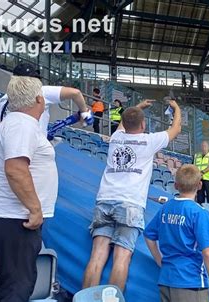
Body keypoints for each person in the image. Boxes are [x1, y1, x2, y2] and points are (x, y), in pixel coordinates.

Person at [82, 99, 182, 291]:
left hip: (104, 200)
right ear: (143, 125)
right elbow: (176, 129)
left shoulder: (116, 137)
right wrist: (176, 108)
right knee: (122, 258)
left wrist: (138, 107)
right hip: (130, 204)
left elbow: (124, 122)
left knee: (97, 256)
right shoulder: (148, 140)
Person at [0, 76, 58, 301]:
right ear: (39, 99)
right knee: (17, 287)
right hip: (16, 219)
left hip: (14, 218)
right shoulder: (22, 123)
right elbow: (16, 169)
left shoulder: (19, 123)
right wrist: (35, 209)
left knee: (16, 283)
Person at [144, 165, 209, 302]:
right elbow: (208, 253)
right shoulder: (198, 213)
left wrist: (159, 259)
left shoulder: (166, 208)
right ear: (199, 185)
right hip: (190, 281)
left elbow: (149, 235)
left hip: (166, 280)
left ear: (175, 185)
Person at [0, 63, 92, 132]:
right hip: (33, 149)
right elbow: (76, 93)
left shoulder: (4, 99)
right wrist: (84, 113)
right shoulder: (41, 92)